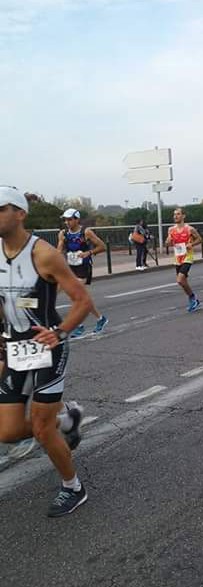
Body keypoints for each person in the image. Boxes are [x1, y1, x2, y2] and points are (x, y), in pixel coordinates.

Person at [0, 186, 93, 517]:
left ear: (20, 214)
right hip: (13, 347)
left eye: (1, 209)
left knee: (40, 427)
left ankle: (73, 487)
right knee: (8, 432)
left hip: (47, 347)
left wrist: (60, 332)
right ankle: (67, 418)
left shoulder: (43, 254)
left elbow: (83, 301)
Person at [57, 209, 108, 336]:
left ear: (77, 219)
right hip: (70, 266)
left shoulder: (86, 232)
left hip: (83, 267)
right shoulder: (63, 234)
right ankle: (100, 319)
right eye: (65, 220)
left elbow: (102, 246)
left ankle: (78, 325)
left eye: (69, 219)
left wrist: (88, 253)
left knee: (77, 296)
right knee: (78, 296)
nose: (67, 222)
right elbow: (59, 250)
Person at [165, 208, 202, 312]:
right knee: (182, 282)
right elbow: (168, 242)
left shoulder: (190, 229)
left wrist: (191, 244)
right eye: (174, 215)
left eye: (178, 214)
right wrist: (168, 242)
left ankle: (192, 298)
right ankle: (193, 298)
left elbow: (199, 239)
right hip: (178, 257)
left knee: (180, 279)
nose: (175, 216)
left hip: (187, 256)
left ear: (183, 216)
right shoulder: (171, 229)